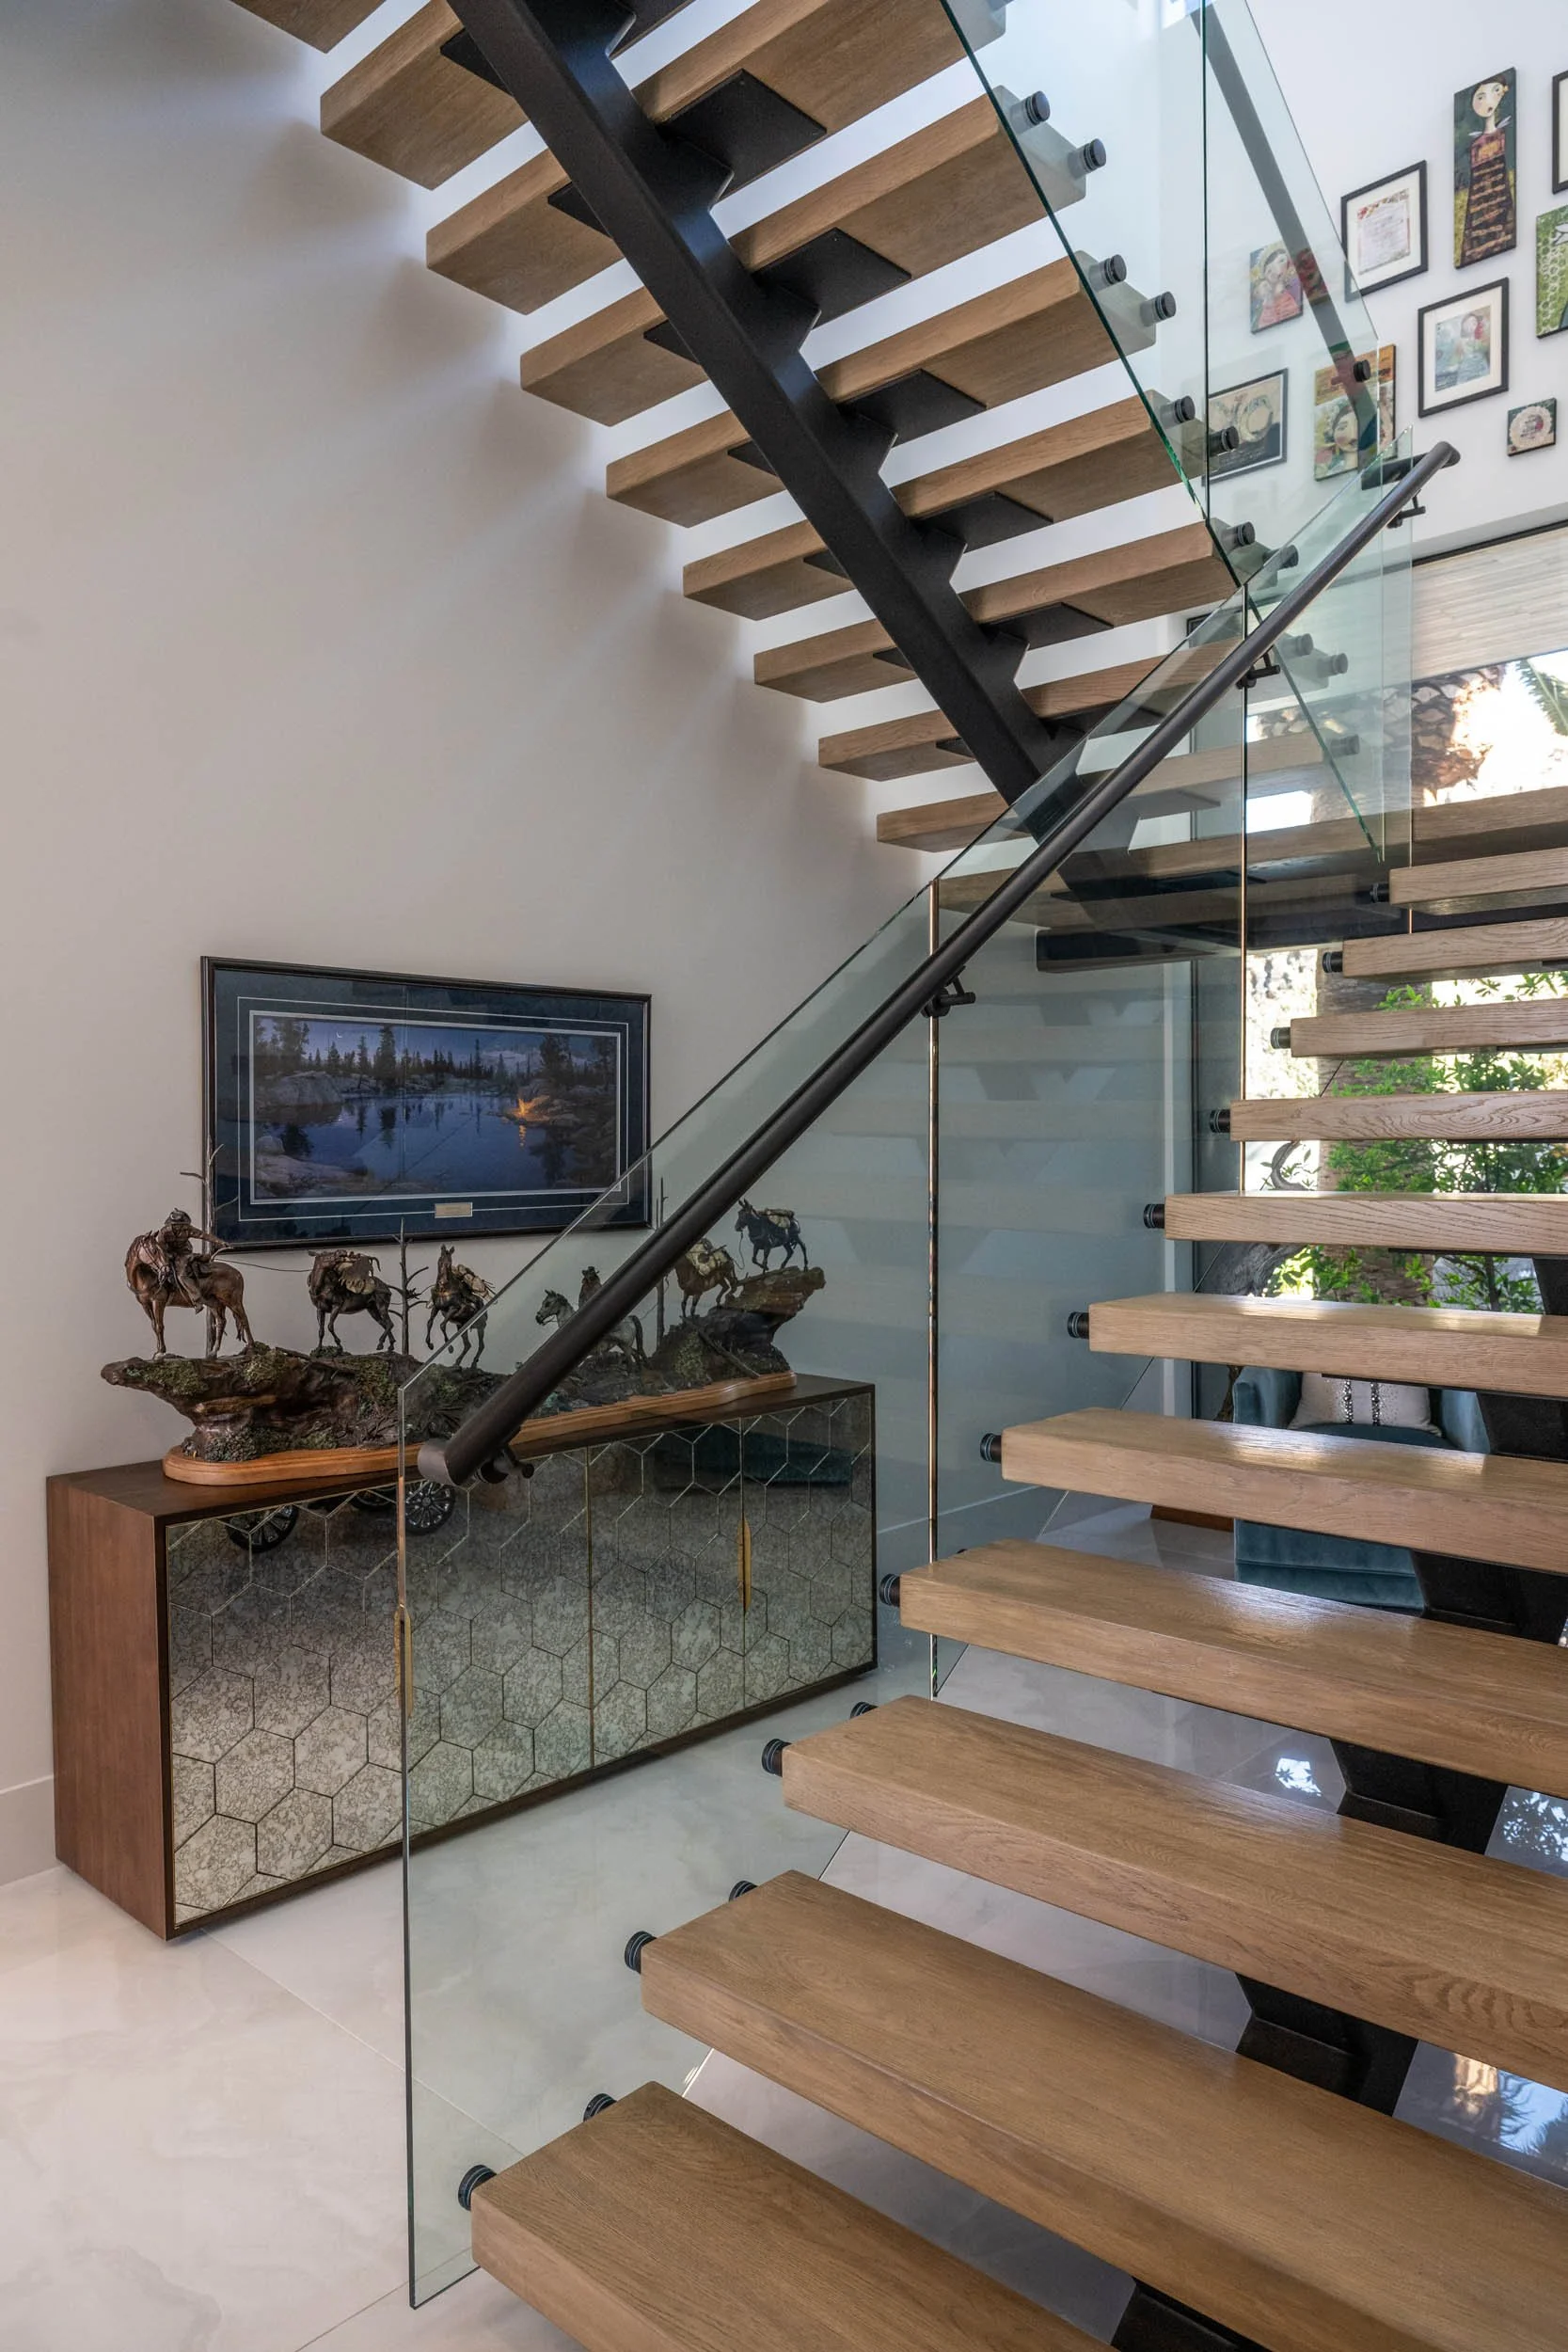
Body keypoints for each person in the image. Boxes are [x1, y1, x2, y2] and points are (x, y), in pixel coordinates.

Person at [1458, 76, 1515, 266]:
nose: (1486, 101)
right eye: (1480, 97)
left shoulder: (1503, 135)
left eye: (1494, 92)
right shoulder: (1475, 144)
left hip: (1498, 192)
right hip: (1480, 198)